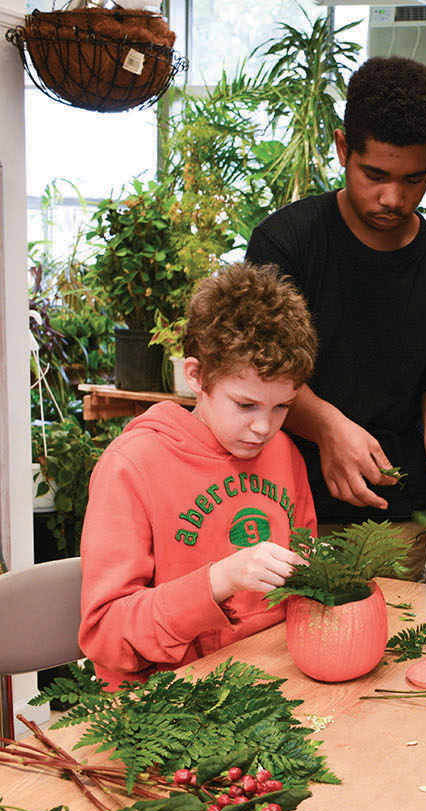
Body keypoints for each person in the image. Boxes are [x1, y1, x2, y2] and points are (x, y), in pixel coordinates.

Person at [245, 56, 426, 581]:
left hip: (393, 518)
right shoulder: (285, 244)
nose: (394, 198)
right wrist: (330, 428)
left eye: (414, 179)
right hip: (276, 503)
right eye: (375, 175)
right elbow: (259, 373)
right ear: (343, 149)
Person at [79, 263, 318, 687]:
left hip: (272, 679)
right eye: (245, 405)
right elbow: (105, 634)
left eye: (281, 406)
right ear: (196, 376)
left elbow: (302, 582)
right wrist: (219, 580)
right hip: (170, 704)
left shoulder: (283, 452)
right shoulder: (131, 466)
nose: (264, 427)